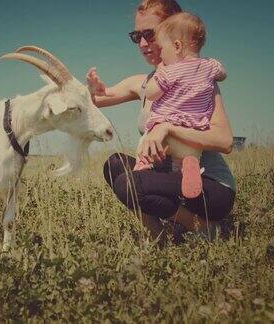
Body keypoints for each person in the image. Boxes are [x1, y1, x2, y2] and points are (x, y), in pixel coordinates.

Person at [87, 0, 236, 244]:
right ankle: (161, 238)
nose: (143, 43)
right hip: (169, 180)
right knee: (115, 166)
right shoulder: (144, 82)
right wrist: (91, 88)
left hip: (209, 187)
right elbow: (96, 99)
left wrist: (168, 129)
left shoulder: (199, 79)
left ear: (174, 33)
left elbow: (224, 141)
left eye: (150, 34)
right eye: (137, 36)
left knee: (131, 184)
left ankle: (203, 227)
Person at [133, 12, 227, 201]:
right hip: (193, 134)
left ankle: (143, 164)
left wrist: (160, 73)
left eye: (162, 48)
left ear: (176, 46)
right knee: (183, 162)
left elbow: (151, 92)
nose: (161, 54)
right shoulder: (209, 66)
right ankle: (188, 165)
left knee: (146, 143)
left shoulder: (170, 71)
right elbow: (223, 73)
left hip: (167, 130)